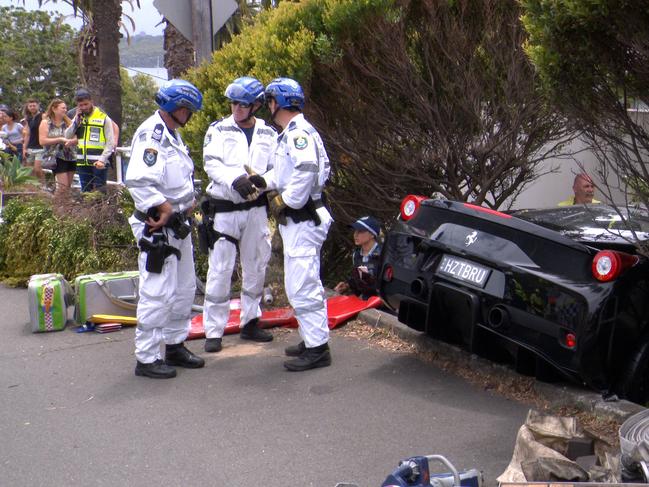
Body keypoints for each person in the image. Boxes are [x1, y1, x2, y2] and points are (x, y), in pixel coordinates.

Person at [125, 79, 205, 379]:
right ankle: (146, 357)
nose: (191, 116)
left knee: (183, 289)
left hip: (178, 225)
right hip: (157, 227)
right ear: (178, 108)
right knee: (157, 291)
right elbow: (139, 180)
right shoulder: (153, 134)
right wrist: (165, 206)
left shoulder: (171, 134)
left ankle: (174, 344)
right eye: (189, 110)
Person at [260, 77, 333, 371]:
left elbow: (305, 171)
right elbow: (283, 174)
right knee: (298, 284)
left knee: (303, 285)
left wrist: (286, 201)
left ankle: (318, 349)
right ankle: (311, 338)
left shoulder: (298, 133)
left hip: (304, 218)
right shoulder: (289, 133)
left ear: (280, 102)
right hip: (298, 221)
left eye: (270, 100)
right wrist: (259, 181)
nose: (268, 106)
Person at [201, 77, 276, 353]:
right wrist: (235, 179)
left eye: (242, 104)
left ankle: (250, 322)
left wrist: (262, 182)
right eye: (233, 103)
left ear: (256, 105)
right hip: (226, 209)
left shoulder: (268, 134)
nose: (236, 108)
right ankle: (214, 330)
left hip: (255, 209)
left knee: (256, 266)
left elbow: (276, 168)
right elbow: (211, 164)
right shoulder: (219, 130)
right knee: (220, 269)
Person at [68, 88, 117, 192]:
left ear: (91, 102)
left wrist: (102, 159)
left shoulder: (103, 117)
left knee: (100, 192)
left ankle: (103, 208)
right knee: (86, 192)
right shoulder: (78, 118)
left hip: (99, 162)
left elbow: (110, 141)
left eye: (86, 104)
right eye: (81, 105)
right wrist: (76, 121)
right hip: (82, 162)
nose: (84, 107)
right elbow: (67, 135)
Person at [334, 216, 382, 300]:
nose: (355, 234)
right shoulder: (356, 255)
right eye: (355, 231)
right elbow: (359, 284)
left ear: (372, 234)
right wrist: (347, 286)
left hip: (382, 306)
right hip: (365, 303)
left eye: (360, 231)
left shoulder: (383, 255)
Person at [38, 99, 77, 196]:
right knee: (62, 187)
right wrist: (60, 139)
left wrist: (71, 141)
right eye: (62, 108)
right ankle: (56, 208)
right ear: (54, 109)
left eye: (66, 108)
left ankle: (64, 208)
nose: (65, 110)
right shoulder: (46, 123)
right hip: (56, 157)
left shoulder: (69, 122)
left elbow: (76, 137)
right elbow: (42, 141)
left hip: (71, 156)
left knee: (67, 187)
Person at [21, 98, 43, 176]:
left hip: (41, 147)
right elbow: (27, 134)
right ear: (28, 107)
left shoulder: (43, 116)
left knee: (37, 169)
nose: (32, 107)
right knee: (29, 170)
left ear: (38, 106)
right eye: (30, 106)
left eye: (34, 105)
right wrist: (24, 148)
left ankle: (43, 186)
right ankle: (32, 188)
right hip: (30, 147)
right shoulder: (28, 119)